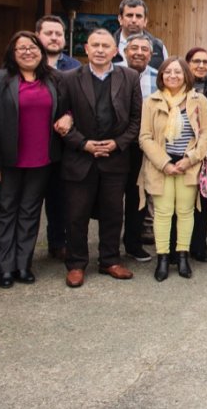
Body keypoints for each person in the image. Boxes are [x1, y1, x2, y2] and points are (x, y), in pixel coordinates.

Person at [56, 28, 142, 287]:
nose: (101, 50)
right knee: (76, 214)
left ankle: (110, 260)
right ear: (87, 49)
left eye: (106, 45)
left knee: (113, 213)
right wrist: (84, 144)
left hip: (115, 159)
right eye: (95, 45)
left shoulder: (129, 77)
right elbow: (59, 121)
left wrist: (117, 144)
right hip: (80, 158)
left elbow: (137, 119)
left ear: (116, 51)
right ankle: (76, 264)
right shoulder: (69, 78)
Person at [0, 30, 62, 288]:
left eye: (33, 47)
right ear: (12, 54)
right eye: (21, 48)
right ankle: (4, 267)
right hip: (8, 161)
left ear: (41, 51)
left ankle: (23, 264)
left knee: (30, 213)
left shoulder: (53, 79)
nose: (28, 52)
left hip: (42, 159)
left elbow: (66, 106)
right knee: (4, 212)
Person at [138, 58, 207, 281]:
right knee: (162, 213)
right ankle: (162, 258)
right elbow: (145, 137)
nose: (173, 75)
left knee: (185, 212)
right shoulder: (151, 101)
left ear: (186, 75)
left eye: (178, 72)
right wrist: (164, 163)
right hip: (160, 164)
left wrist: (190, 159)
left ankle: (182, 256)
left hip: (188, 164)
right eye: (168, 72)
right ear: (161, 75)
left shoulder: (199, 100)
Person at [35, 15, 79, 260]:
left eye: (58, 34)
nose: (54, 37)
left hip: (64, 145)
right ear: (38, 35)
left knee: (60, 197)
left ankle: (58, 241)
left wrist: (70, 115)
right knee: (30, 200)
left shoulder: (73, 66)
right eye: (48, 33)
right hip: (33, 144)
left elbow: (81, 102)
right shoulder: (27, 64)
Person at [115, 33, 157, 263]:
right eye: (134, 48)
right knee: (111, 198)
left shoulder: (158, 77)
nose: (139, 52)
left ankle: (133, 243)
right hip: (116, 145)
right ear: (124, 51)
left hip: (143, 148)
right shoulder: (113, 73)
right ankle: (109, 247)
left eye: (144, 49)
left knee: (137, 197)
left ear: (151, 55)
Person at [182, 47, 207, 261]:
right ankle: (179, 247)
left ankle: (198, 246)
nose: (201, 65)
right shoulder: (177, 85)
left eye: (206, 61)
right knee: (180, 203)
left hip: (206, 153)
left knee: (201, 201)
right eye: (196, 61)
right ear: (187, 63)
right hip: (180, 152)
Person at [111, 0, 167, 69]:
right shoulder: (108, 46)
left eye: (138, 16)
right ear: (120, 19)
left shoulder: (158, 47)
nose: (134, 20)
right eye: (129, 15)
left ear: (145, 21)